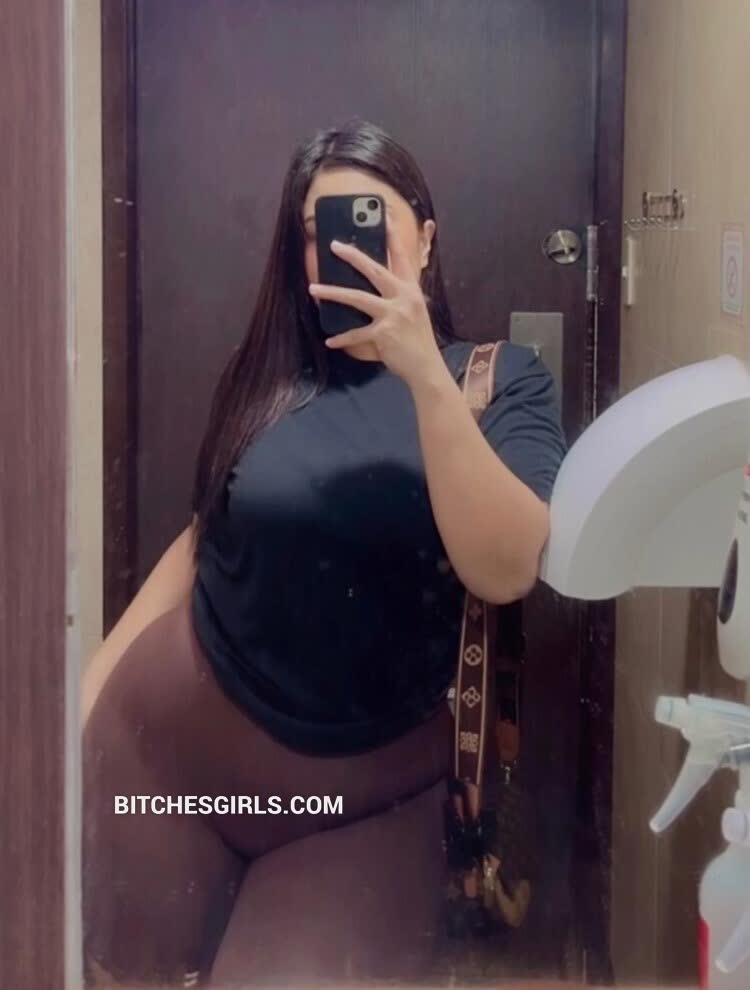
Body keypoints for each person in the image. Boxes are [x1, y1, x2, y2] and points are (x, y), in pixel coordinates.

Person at [82, 118, 567, 987]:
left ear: (426, 239)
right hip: (165, 753)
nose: (337, 248)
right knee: (121, 973)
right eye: (314, 232)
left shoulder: (497, 382)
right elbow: (206, 540)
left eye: (366, 221)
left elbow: (504, 568)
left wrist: (423, 373)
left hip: (363, 797)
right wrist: (83, 699)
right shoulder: (269, 381)